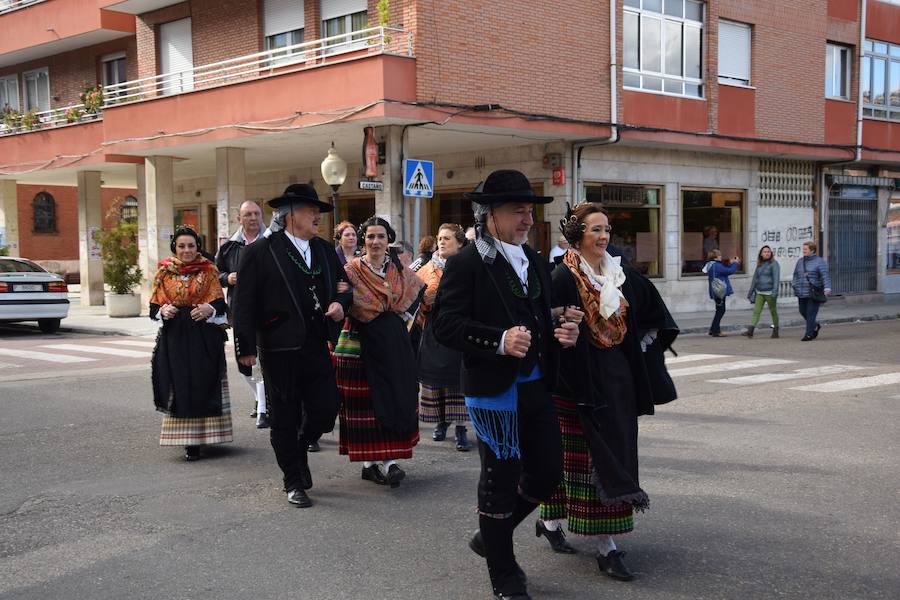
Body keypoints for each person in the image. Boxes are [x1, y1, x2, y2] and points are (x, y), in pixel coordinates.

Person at [432, 169, 580, 600]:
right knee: (499, 481)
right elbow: (445, 324)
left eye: (529, 210)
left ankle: (490, 536)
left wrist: (561, 328)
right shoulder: (466, 262)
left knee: (549, 472)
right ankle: (503, 570)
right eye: (518, 210)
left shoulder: (534, 261)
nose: (527, 218)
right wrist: (497, 341)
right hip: (493, 389)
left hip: (536, 384)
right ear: (489, 214)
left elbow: (539, 315)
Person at [537, 203, 678, 582]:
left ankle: (600, 540)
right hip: (576, 381)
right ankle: (570, 532)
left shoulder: (620, 275)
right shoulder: (561, 276)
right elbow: (543, 330)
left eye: (607, 229)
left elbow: (654, 315)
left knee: (614, 454)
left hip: (617, 379)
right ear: (577, 234)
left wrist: (642, 349)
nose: (603, 236)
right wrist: (560, 338)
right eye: (595, 229)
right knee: (573, 461)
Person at [232, 184, 351, 508]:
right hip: (278, 345)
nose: (317, 216)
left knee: (326, 410)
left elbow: (343, 285)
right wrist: (245, 347)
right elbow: (243, 303)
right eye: (311, 210)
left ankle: (301, 444)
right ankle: (293, 480)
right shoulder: (260, 251)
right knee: (283, 414)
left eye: (318, 211)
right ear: (290, 214)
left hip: (316, 343)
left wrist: (340, 303)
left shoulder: (325, 250)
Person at [336, 217, 424, 488]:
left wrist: (403, 319)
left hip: (394, 343)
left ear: (389, 240)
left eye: (381, 237)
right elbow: (344, 299)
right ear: (364, 240)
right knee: (368, 406)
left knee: (396, 396)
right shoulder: (351, 270)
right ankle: (370, 463)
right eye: (370, 236)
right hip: (361, 343)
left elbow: (418, 290)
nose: (375, 242)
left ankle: (389, 461)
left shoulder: (398, 268)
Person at [150, 226, 231, 462]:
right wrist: (163, 309)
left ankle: (203, 437)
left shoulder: (209, 270)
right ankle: (187, 439)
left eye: (191, 246)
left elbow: (221, 304)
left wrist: (209, 308)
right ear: (174, 247)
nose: (186, 250)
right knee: (179, 384)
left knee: (202, 382)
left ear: (198, 247)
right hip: (175, 336)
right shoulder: (164, 272)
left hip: (203, 336)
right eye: (182, 246)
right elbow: (153, 307)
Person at [215, 200, 269, 428]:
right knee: (243, 362)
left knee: (264, 360)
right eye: (248, 214)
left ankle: (264, 409)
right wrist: (228, 278)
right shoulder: (229, 247)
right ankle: (259, 397)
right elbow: (216, 274)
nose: (253, 218)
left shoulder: (273, 242)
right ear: (239, 218)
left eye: (257, 213)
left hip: (269, 311)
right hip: (240, 310)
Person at [416, 223, 469, 451]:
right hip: (434, 330)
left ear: (459, 242)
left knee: (458, 379)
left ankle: (461, 427)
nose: (441, 242)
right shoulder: (426, 268)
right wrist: (426, 301)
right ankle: (441, 422)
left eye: (447, 238)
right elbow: (415, 299)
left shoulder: (468, 267)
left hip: (460, 330)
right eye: (439, 238)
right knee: (437, 379)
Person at [791, 240, 832, 341]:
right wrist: (794, 284)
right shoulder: (800, 261)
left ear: (812, 250)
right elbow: (796, 274)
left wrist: (827, 288)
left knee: (810, 314)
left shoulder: (819, 261)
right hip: (801, 291)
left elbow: (825, 276)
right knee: (802, 311)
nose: (803, 251)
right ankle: (815, 325)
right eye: (803, 249)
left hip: (813, 292)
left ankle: (809, 334)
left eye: (805, 249)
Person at [742, 245, 781, 339]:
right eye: (765, 252)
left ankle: (776, 331)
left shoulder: (774, 264)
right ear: (761, 254)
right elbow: (755, 279)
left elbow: (776, 279)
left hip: (770, 292)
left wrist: (775, 292)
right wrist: (751, 292)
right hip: (759, 292)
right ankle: (750, 331)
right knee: (756, 311)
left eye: (768, 251)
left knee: (773, 311)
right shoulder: (759, 264)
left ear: (771, 253)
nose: (767, 253)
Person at [703, 249, 740, 337]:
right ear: (715, 257)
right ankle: (716, 331)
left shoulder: (711, 265)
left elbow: (724, 270)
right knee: (721, 311)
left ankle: (713, 329)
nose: (721, 257)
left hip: (716, 291)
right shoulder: (716, 266)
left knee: (719, 310)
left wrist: (731, 263)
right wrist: (735, 263)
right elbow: (729, 271)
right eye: (719, 255)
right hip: (720, 291)